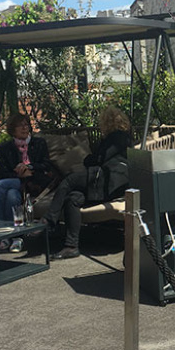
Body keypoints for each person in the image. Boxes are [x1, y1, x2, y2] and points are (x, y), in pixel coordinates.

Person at [42, 106, 132, 260]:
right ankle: (71, 246)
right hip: (108, 184)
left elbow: (98, 159)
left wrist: (87, 159)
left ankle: (49, 220)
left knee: (69, 180)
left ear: (106, 122)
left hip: (109, 182)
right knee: (73, 198)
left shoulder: (117, 137)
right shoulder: (120, 137)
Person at [0, 113, 54, 252]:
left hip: (35, 182)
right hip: (16, 182)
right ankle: (16, 237)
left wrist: (30, 167)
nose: (24, 127)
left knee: (1, 188)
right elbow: (3, 173)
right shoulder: (5, 148)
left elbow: (46, 165)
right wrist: (19, 173)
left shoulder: (39, 143)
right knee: (11, 195)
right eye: (20, 125)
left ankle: (2, 233)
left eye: (26, 124)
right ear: (12, 129)